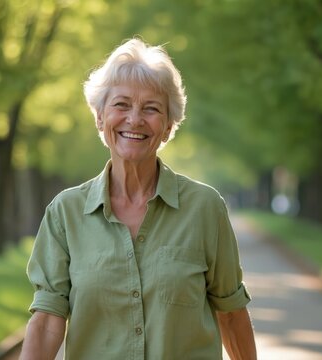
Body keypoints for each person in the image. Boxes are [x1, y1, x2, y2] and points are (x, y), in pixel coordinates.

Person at [21, 38, 257, 360]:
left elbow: (230, 314)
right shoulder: (66, 213)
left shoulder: (205, 209)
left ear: (168, 126)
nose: (135, 119)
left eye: (151, 108)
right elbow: (48, 319)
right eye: (121, 105)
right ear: (100, 118)